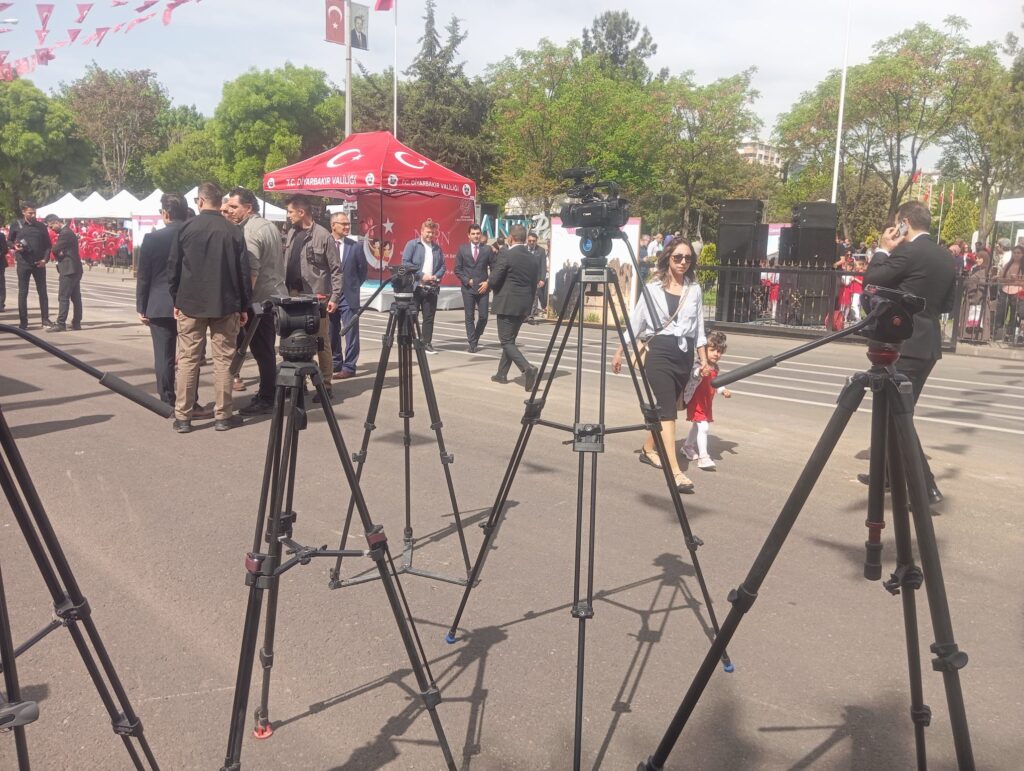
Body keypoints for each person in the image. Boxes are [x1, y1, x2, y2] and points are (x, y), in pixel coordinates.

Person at [861, 200, 956, 504]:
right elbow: (948, 305)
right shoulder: (945, 256)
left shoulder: (907, 251)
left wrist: (883, 250)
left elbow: (872, 280)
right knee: (897, 411)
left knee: (897, 413)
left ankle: (925, 486)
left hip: (902, 343)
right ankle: (887, 475)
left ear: (904, 222)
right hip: (927, 344)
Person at [611, 238, 710, 494]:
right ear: (667, 258)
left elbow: (699, 329)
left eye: (688, 258)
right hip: (660, 354)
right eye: (678, 257)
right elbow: (636, 323)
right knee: (667, 409)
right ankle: (675, 472)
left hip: (684, 355)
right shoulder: (652, 288)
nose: (683, 262)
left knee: (669, 408)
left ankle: (648, 449)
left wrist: (705, 359)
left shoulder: (694, 289)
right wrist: (620, 351)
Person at [168, 182, 252, 433]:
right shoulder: (233, 231)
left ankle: (183, 416)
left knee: (187, 360)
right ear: (220, 202)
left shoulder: (186, 228)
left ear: (201, 201)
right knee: (224, 361)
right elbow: (243, 273)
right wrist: (244, 305)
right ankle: (223, 415)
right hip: (225, 303)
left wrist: (176, 299)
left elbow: (173, 269)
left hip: (190, 303)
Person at [225, 187, 288, 414]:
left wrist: (243, 304)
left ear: (248, 208)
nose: (229, 211)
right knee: (266, 350)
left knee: (262, 351)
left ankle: (267, 396)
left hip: (260, 301)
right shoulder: (268, 226)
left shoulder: (250, 231)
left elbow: (252, 270)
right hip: (274, 295)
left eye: (234, 207)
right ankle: (270, 392)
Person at [284, 195, 342, 400]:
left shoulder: (322, 235)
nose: (288, 215)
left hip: (316, 298)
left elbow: (336, 269)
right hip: (292, 296)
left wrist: (334, 297)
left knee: (320, 341)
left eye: (291, 211)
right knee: (295, 340)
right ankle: (301, 383)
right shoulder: (291, 233)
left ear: (301, 212)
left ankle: (325, 385)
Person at [138, 193, 188, 405]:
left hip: (158, 302)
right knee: (188, 356)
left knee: (163, 356)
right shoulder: (191, 235)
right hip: (188, 302)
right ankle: (190, 400)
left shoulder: (152, 238)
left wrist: (141, 306)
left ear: (166, 213)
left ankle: (167, 399)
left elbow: (144, 275)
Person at [488, 225, 539, 388]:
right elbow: (533, 284)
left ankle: (527, 368)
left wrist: (491, 285)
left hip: (507, 303)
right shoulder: (533, 258)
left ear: (511, 237)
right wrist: (529, 307)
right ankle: (501, 374)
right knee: (510, 340)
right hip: (523, 304)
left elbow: (495, 278)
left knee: (506, 341)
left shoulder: (508, 255)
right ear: (524, 239)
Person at [682, 331, 732, 471]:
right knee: (703, 427)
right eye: (712, 350)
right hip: (696, 401)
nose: (716, 354)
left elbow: (716, 382)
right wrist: (700, 372)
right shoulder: (698, 364)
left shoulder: (715, 368)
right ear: (703, 351)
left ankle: (687, 446)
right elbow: (694, 373)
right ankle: (704, 457)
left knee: (697, 426)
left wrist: (723, 390)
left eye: (719, 351)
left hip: (706, 402)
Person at [327, 211, 367, 380]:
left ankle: (349, 366)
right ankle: (336, 362)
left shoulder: (355, 246)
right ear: (333, 225)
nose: (347, 226)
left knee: (351, 333)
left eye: (348, 223)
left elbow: (362, 271)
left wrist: (353, 287)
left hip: (349, 296)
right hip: (329, 297)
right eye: (343, 224)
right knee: (331, 332)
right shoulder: (326, 243)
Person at [401, 219, 445, 354]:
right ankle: (407, 341)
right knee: (411, 316)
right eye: (428, 232)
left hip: (431, 288)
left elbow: (443, 266)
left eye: (432, 233)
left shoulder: (437, 248)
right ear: (421, 231)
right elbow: (406, 263)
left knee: (429, 317)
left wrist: (435, 277)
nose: (430, 235)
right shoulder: (412, 245)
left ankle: (426, 343)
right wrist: (421, 275)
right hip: (415, 287)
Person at [10, 201, 52, 330]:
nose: (33, 215)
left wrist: (45, 260)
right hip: (23, 263)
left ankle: (45, 319)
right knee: (23, 292)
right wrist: (14, 246)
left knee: (43, 292)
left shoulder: (41, 226)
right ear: (23, 212)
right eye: (30, 213)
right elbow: (9, 240)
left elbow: (48, 245)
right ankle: (23, 322)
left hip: (39, 263)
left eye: (34, 212)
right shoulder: (16, 225)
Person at [454, 223, 493, 352]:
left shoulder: (487, 249)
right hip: (468, 288)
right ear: (468, 235)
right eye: (473, 234)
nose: (476, 236)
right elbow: (457, 269)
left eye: (478, 233)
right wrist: (466, 280)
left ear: (480, 234)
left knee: (483, 317)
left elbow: (495, 269)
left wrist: (488, 282)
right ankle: (472, 343)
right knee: (469, 317)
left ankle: (475, 336)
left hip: (483, 288)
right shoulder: (462, 249)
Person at [44, 214, 83, 332]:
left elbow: (55, 249)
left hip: (68, 269)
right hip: (75, 268)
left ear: (56, 222)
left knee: (63, 297)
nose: (51, 229)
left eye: (51, 226)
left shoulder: (65, 233)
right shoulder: (68, 232)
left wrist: (59, 253)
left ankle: (61, 323)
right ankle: (76, 322)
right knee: (75, 297)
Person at [992, 245, 1024, 342]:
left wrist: (1016, 280)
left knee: (1014, 315)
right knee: (1001, 313)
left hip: (1017, 292)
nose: (1016, 255)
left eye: (1019, 253)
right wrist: (1004, 279)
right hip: (1005, 291)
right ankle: (998, 332)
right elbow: (1001, 278)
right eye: (1014, 253)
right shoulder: (1007, 265)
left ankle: (1010, 334)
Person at [526, 231, 548, 320]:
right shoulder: (523, 249)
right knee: (525, 296)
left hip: (536, 278)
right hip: (524, 277)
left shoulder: (541, 250)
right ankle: (524, 314)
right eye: (530, 241)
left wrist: (542, 279)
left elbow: (543, 266)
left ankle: (530, 315)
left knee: (534, 297)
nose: (531, 242)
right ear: (527, 240)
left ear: (536, 241)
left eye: (533, 241)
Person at [0, 226, 8, 311]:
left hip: (0, 263)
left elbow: (5, 249)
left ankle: (1, 304)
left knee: (1, 285)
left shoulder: (1, 235)